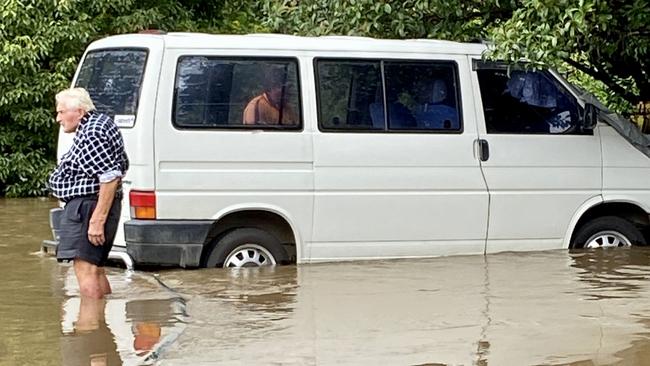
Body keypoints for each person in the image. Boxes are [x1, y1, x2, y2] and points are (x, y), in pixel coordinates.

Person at [49, 87, 129, 299]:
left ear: (80, 111)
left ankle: (90, 329)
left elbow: (110, 176)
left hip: (88, 207)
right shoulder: (98, 125)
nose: (58, 118)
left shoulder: (92, 131)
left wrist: (97, 220)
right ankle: (100, 326)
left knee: (86, 270)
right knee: (95, 269)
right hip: (90, 206)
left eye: (61, 112)